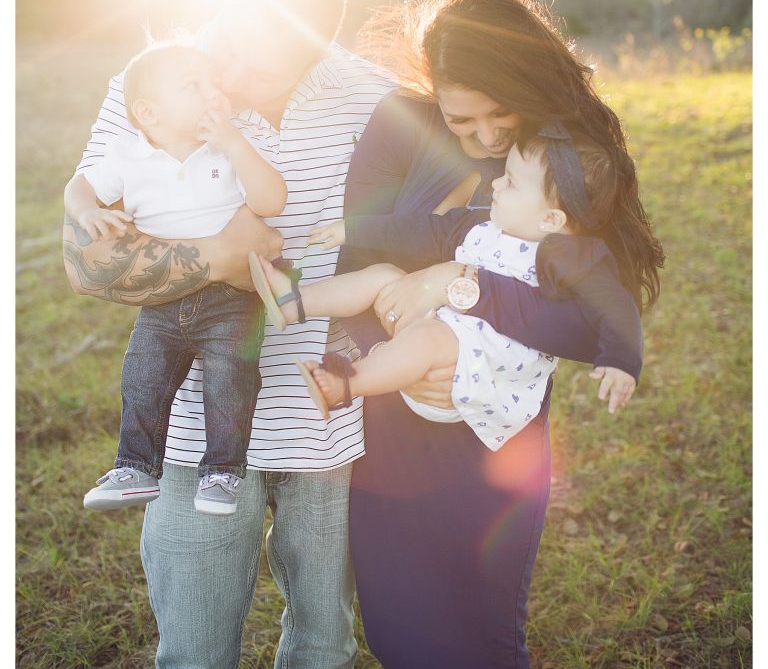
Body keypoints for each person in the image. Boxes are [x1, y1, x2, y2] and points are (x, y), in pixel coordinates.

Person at [62, 0, 395, 669]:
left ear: (315, 50)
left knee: (326, 641)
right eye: (230, 49)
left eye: (260, 66)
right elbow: (85, 260)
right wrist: (224, 254)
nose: (231, 81)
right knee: (195, 657)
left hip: (326, 427)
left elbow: (419, 235)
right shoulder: (152, 82)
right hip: (192, 428)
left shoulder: (371, 97)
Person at [333, 0, 663, 669]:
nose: (484, 137)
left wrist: (460, 282)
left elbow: (587, 315)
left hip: (493, 428)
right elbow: (357, 254)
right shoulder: (398, 123)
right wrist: (388, 345)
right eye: (462, 119)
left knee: (476, 637)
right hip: (395, 412)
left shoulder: (562, 154)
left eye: (498, 116)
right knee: (398, 627)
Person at [249, 130, 641, 440]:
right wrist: (353, 229)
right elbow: (420, 230)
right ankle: (293, 303)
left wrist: (621, 361)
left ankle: (345, 385)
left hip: (475, 372)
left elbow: (616, 306)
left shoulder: (569, 255)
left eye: (512, 183)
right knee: (384, 274)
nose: (497, 184)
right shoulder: (481, 226)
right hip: (438, 331)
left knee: (429, 338)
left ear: (550, 220)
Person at [66, 41, 287, 514]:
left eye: (214, 84)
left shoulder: (226, 149)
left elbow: (271, 201)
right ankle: (136, 467)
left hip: (232, 296)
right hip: (165, 294)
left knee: (230, 378)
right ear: (149, 112)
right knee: (143, 376)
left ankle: (223, 472)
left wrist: (234, 143)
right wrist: (88, 213)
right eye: (194, 86)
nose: (214, 94)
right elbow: (78, 186)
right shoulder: (127, 155)